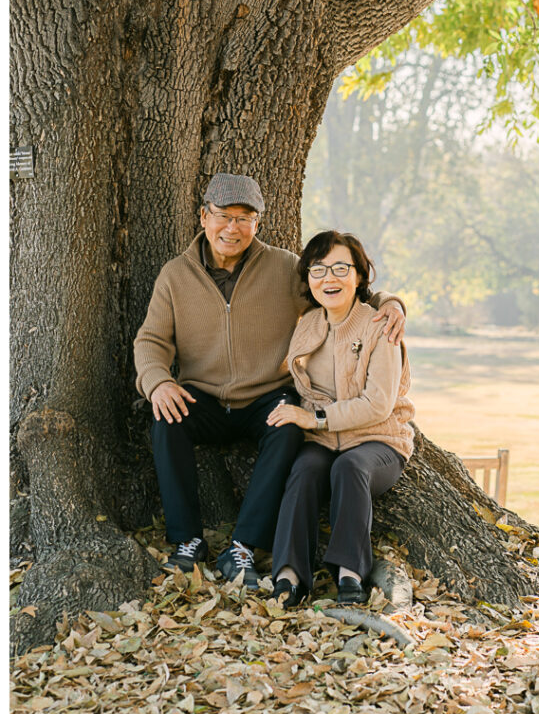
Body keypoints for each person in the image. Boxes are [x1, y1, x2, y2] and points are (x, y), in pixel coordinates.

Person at [133, 174, 406, 585]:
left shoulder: (282, 267)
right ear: (203, 217)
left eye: (245, 218)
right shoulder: (175, 276)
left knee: (287, 427)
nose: (233, 227)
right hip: (203, 396)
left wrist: (391, 303)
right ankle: (187, 541)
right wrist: (157, 381)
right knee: (166, 418)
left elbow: (339, 291)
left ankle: (242, 548)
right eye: (224, 216)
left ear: (257, 224)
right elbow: (151, 340)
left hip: (266, 395)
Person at [267, 230, 415, 606]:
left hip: (377, 440)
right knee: (303, 471)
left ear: (359, 276)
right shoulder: (308, 325)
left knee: (350, 467)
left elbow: (377, 404)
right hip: (323, 441)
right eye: (318, 269)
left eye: (339, 268)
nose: (328, 278)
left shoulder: (381, 326)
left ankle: (350, 574)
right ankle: (289, 575)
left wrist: (314, 418)